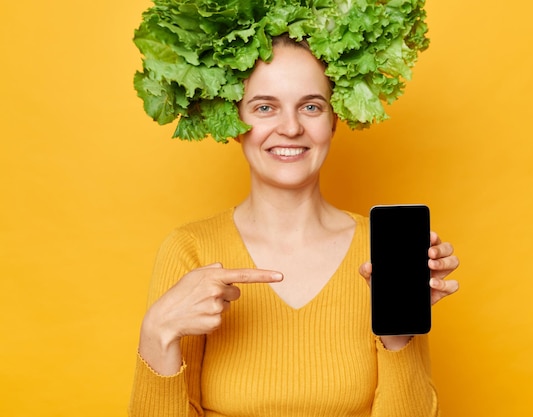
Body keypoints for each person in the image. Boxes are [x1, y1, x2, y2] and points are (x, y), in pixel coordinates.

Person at [128, 34, 460, 417]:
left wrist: (398, 333)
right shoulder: (191, 249)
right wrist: (156, 333)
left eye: (311, 107)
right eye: (265, 107)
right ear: (234, 122)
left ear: (335, 120)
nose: (290, 128)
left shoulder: (381, 249)